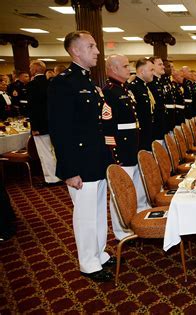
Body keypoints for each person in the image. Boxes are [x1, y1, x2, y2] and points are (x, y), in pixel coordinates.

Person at [48, 30, 115, 282]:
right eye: (91, 46)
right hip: (79, 163)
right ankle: (88, 263)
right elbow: (60, 130)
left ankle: (98, 253)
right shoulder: (63, 83)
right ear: (75, 50)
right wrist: (69, 169)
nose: (97, 51)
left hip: (96, 159)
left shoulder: (87, 81)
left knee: (98, 211)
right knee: (85, 214)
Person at [102, 54, 151, 241]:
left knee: (135, 187)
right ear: (113, 69)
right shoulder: (109, 92)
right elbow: (108, 127)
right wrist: (115, 154)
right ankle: (121, 230)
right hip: (122, 149)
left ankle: (137, 219)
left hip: (133, 146)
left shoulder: (124, 90)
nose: (128, 70)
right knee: (121, 193)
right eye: (124, 66)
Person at [27, 60, 61, 185]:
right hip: (53, 123)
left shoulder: (32, 85)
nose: (30, 70)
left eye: (31, 68)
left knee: (45, 152)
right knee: (55, 151)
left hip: (40, 124)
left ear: (35, 70)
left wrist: (34, 127)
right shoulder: (51, 83)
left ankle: (51, 178)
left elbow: (33, 108)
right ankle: (60, 174)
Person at [128, 58, 155, 151]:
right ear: (142, 71)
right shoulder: (133, 87)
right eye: (151, 70)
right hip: (141, 136)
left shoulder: (144, 87)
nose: (153, 73)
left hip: (148, 133)